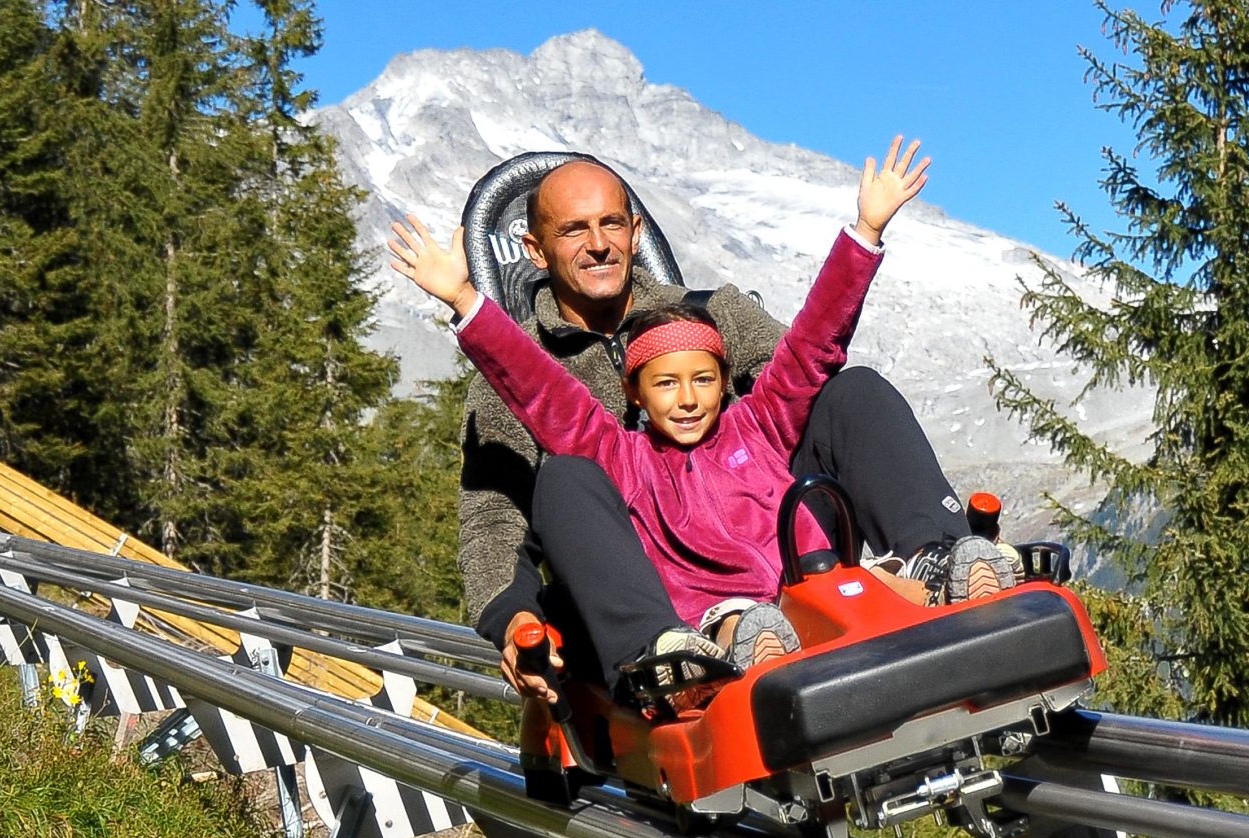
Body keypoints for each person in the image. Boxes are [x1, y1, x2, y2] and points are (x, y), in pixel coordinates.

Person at [393, 138, 1014, 702]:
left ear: (636, 232)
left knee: (849, 391)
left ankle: (942, 561)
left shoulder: (715, 318)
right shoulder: (570, 413)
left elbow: (805, 360)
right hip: (647, 576)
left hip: (782, 537)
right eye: (575, 230)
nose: (599, 242)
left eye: (611, 223)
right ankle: (670, 659)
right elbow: (497, 505)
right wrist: (513, 615)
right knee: (565, 475)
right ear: (535, 249)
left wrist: (865, 233)